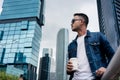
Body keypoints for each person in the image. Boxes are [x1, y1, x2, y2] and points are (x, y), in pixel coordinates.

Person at [67, 13, 115, 80]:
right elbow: (70, 70)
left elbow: (112, 55)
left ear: (81, 21)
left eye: (73, 21)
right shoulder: (71, 45)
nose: (71, 24)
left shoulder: (98, 36)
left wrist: (106, 68)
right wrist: (69, 70)